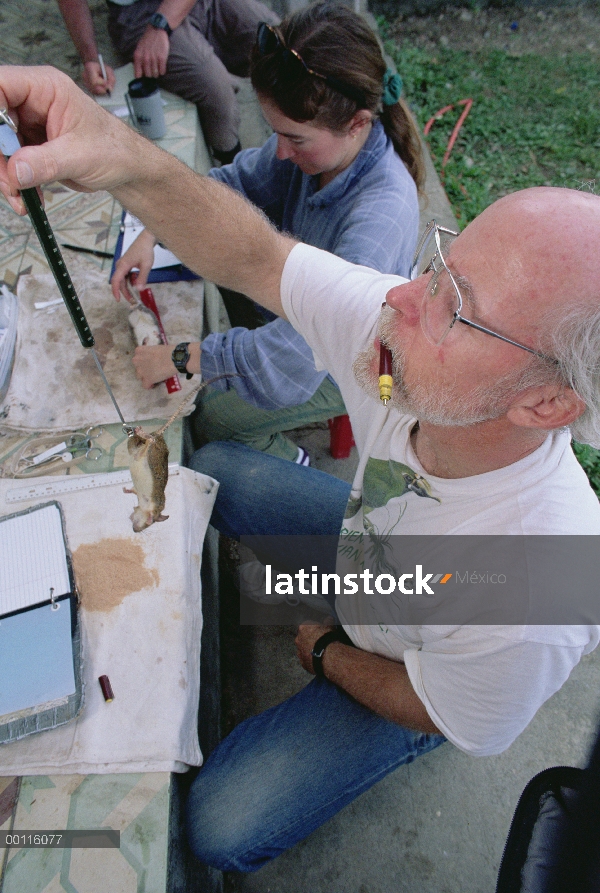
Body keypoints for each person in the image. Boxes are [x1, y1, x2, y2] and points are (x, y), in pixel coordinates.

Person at [1, 64, 600, 873]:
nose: (402, 299)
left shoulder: (540, 585)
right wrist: (113, 148)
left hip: (418, 660)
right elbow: (256, 256)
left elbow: (442, 707)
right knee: (218, 468)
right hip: (382, 567)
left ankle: (367, 696)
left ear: (544, 404)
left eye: (459, 307)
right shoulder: (407, 340)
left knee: (216, 824)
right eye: (439, 261)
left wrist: (324, 652)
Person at [111, 2, 424, 466]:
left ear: (357, 123)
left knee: (213, 420)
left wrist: (178, 357)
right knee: (219, 286)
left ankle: (287, 459)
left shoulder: (380, 217)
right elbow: (231, 184)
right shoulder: (324, 151)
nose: (279, 153)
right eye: (276, 132)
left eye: (295, 139)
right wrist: (153, 230)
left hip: (354, 362)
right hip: (304, 323)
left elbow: (295, 355)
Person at [56, 0, 279, 163]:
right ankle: (232, 170)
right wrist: (90, 58)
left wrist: (160, 25)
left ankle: (298, 141)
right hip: (135, 11)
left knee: (279, 40)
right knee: (214, 87)